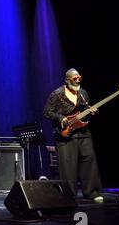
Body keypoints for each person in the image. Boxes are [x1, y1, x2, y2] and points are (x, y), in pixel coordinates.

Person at [43, 68, 103, 203]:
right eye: (74, 78)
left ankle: (92, 192)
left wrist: (90, 112)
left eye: (79, 78)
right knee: (68, 166)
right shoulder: (57, 94)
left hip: (83, 133)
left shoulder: (83, 93)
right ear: (67, 80)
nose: (77, 81)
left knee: (89, 161)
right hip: (65, 134)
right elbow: (47, 112)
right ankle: (69, 195)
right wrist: (60, 118)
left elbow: (83, 112)